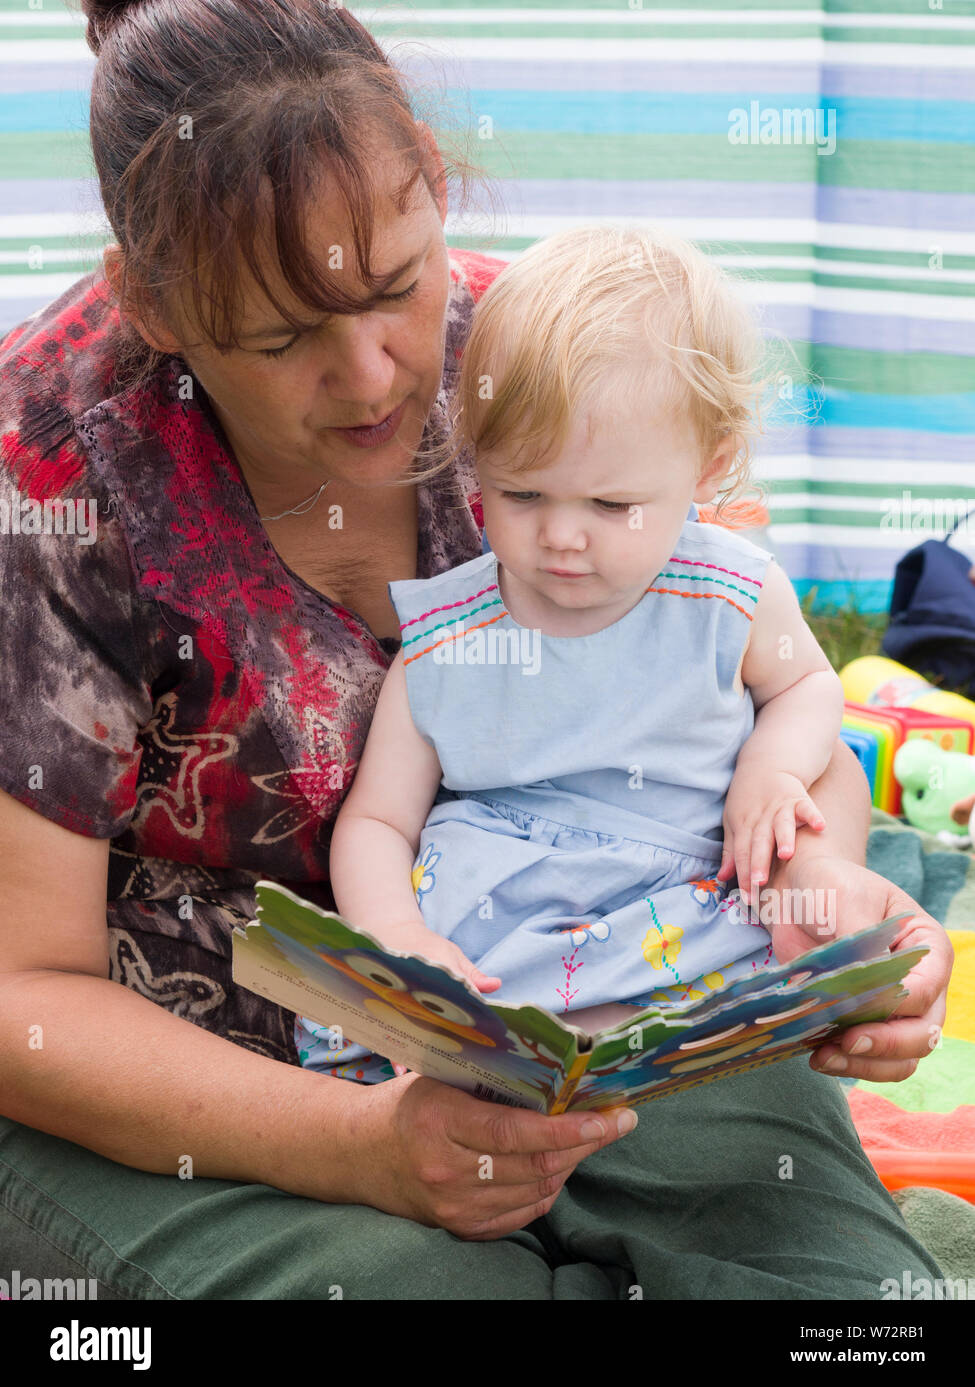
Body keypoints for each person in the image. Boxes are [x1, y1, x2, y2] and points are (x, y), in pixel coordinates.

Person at [0, 0, 953, 1298]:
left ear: (436, 191)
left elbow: (747, 711)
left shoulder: (553, 365)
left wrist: (823, 900)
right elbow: (22, 999)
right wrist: (364, 1149)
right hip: (211, 1070)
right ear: (152, 305)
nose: (372, 373)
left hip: (613, 999)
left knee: (835, 1299)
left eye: (396, 283)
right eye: (280, 338)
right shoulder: (50, 486)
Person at [295, 225, 848, 1082]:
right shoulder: (451, 638)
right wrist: (398, 937)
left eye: (610, 502)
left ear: (709, 467)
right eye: (520, 492)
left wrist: (771, 772)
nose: (560, 536)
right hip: (490, 940)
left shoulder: (727, 596)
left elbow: (807, 686)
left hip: (673, 922)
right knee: (430, 1070)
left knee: (744, 1033)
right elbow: (377, 819)